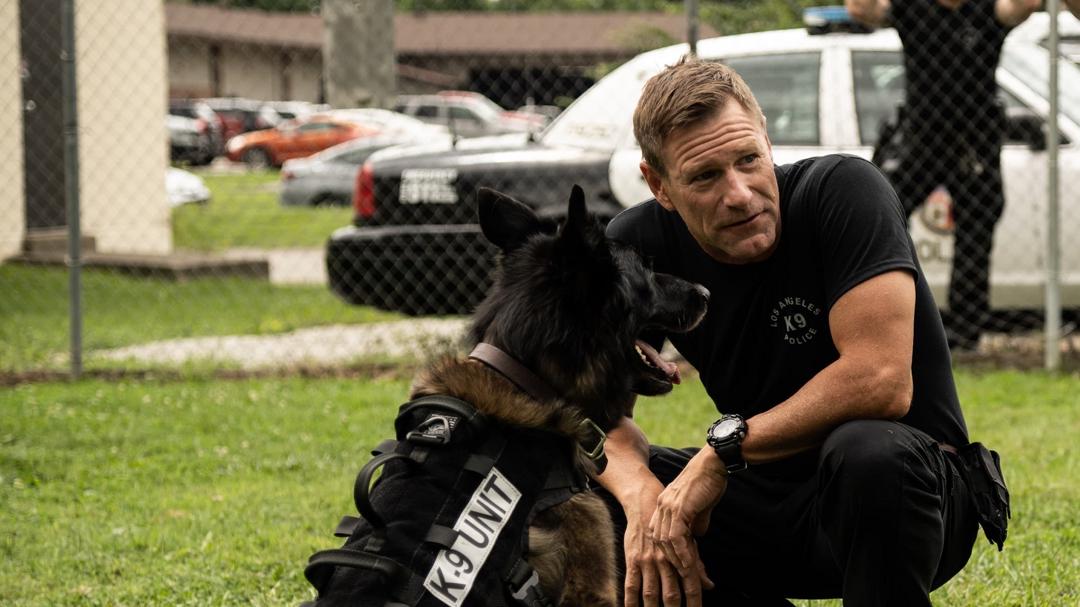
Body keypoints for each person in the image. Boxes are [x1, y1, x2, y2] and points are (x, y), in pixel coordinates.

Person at [598, 58, 984, 606]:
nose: (739, 193)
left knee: (867, 451)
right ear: (659, 184)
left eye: (748, 160)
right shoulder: (637, 244)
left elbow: (881, 381)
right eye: (705, 176)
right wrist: (639, 496)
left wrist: (721, 452)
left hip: (913, 495)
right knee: (579, 481)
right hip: (762, 490)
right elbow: (592, 408)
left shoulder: (842, 190)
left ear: (768, 141)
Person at [845, 0, 1080, 350]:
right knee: (882, 215)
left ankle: (964, 336)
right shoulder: (914, 9)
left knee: (977, 228)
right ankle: (888, 317)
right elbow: (860, 9)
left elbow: (1025, 4)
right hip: (922, 140)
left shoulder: (986, 10)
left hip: (976, 139)